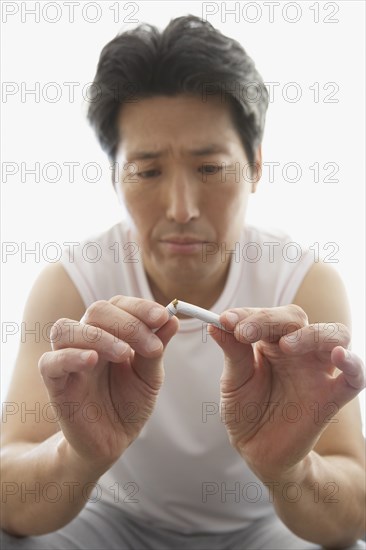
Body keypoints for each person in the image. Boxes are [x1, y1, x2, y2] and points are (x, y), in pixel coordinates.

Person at [1, 14, 365, 550]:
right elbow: (8, 496)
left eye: (211, 168)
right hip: (107, 526)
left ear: (256, 166)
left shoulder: (302, 284)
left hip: (262, 529)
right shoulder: (71, 284)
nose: (181, 208)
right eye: (147, 171)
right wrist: (79, 457)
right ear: (114, 177)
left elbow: (351, 513)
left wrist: (289, 471)